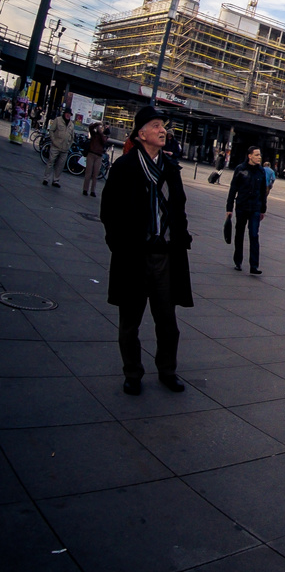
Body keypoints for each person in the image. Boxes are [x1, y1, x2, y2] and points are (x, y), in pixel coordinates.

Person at [100, 105, 192, 395]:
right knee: (130, 321)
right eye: (155, 126)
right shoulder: (125, 167)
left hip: (165, 256)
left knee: (168, 322)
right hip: (134, 256)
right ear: (141, 134)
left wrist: (181, 235)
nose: (162, 130)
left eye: (162, 126)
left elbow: (179, 209)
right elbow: (109, 211)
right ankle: (133, 373)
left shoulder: (170, 170)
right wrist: (119, 245)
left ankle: (168, 370)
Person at [226, 147, 269, 274]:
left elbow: (263, 192)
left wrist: (263, 209)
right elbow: (233, 189)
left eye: (260, 155)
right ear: (249, 156)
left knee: (254, 235)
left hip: (255, 207)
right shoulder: (240, 169)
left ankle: (254, 266)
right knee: (239, 234)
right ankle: (238, 261)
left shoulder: (261, 171)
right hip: (242, 206)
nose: (259, 157)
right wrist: (229, 208)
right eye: (256, 155)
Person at [43, 107, 73, 187]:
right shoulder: (58, 120)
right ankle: (46, 178)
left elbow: (72, 137)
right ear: (64, 113)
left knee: (60, 165)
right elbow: (51, 130)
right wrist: (53, 140)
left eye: (69, 114)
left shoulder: (71, 124)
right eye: (67, 113)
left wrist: (69, 145)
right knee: (50, 162)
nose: (68, 115)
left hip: (65, 148)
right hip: (56, 146)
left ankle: (56, 180)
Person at [82, 122, 107, 198]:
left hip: (98, 156)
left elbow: (104, 141)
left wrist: (100, 133)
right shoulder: (94, 134)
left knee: (95, 174)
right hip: (91, 153)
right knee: (88, 173)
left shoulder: (103, 136)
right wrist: (97, 124)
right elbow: (90, 128)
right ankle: (85, 189)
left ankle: (93, 190)